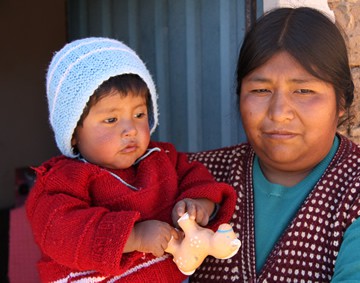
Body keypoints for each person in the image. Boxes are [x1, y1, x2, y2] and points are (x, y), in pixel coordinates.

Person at [187, 7, 360, 282]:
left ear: (341, 102)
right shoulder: (197, 178)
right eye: (260, 90)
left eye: (304, 91)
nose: (279, 112)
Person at [25, 37, 236, 282]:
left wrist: (198, 203)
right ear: (73, 133)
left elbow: (197, 178)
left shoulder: (161, 158)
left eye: (139, 114)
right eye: (111, 120)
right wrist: (133, 236)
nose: (131, 129)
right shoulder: (61, 180)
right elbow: (60, 232)